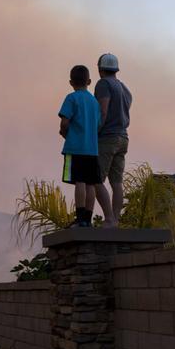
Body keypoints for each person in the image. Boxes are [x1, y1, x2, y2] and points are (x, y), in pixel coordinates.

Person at [58, 64, 113, 227]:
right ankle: (87, 219)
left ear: (70, 82)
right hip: (92, 149)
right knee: (90, 183)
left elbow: (65, 121)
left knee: (79, 181)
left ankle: (79, 216)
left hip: (76, 147)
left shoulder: (71, 98)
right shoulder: (94, 102)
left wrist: (64, 133)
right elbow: (97, 124)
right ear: (89, 81)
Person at [85, 53, 132, 227]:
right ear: (116, 69)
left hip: (108, 137)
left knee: (96, 179)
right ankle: (116, 220)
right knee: (116, 182)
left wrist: (95, 132)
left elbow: (103, 110)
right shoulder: (123, 87)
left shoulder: (103, 84)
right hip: (123, 137)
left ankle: (109, 218)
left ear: (100, 68)